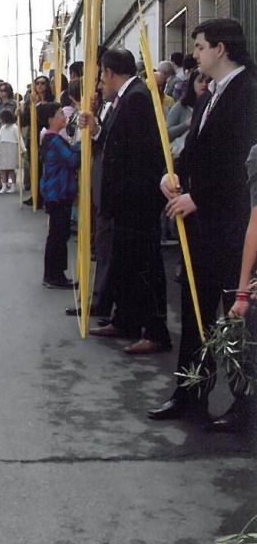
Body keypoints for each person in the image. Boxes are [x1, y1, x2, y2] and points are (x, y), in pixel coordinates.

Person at [151, 18, 257, 428]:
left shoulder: (248, 93)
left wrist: (199, 197)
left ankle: (245, 404)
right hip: (202, 229)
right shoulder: (210, 94)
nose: (193, 54)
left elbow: (242, 166)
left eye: (199, 46)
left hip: (232, 229)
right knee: (196, 313)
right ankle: (190, 392)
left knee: (237, 317)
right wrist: (172, 174)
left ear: (220, 49)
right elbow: (196, 151)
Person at [79, 49, 171, 354]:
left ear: (108, 72)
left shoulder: (137, 98)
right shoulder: (126, 98)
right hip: (124, 203)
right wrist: (96, 131)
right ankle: (126, 320)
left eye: (100, 76)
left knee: (145, 267)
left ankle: (155, 331)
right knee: (126, 266)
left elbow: (140, 155)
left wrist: (123, 195)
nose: (100, 84)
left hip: (136, 203)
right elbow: (117, 143)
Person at [40, 102, 80, 289]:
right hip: (59, 191)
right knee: (58, 234)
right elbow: (72, 160)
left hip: (54, 191)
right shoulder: (55, 141)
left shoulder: (50, 139)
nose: (64, 117)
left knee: (57, 234)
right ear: (51, 120)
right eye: (59, 114)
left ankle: (53, 274)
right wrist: (80, 145)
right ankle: (55, 275)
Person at [0, 108, 23, 193]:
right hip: (3, 147)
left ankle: (13, 185)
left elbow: (19, 138)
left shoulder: (14, 127)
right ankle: (4, 186)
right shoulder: (3, 128)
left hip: (12, 148)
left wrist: (23, 149)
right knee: (3, 168)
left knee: (11, 168)